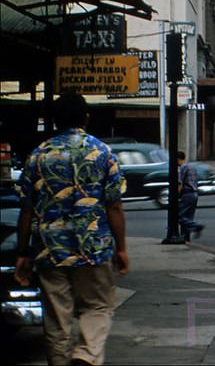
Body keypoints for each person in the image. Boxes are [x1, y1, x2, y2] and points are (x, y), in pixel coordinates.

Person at [14, 93, 129, 366]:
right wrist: (121, 248)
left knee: (57, 317)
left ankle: (61, 360)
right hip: (93, 248)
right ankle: (86, 355)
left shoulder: (38, 155)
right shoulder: (102, 153)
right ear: (86, 118)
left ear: (54, 121)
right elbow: (114, 206)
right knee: (98, 306)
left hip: (49, 249)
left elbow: (26, 209)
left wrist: (22, 253)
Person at [177, 151, 204, 240]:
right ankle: (186, 237)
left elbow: (180, 183)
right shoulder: (192, 167)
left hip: (187, 193)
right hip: (194, 193)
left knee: (179, 216)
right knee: (189, 216)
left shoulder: (183, 168)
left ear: (178, 159)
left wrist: (177, 194)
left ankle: (197, 226)